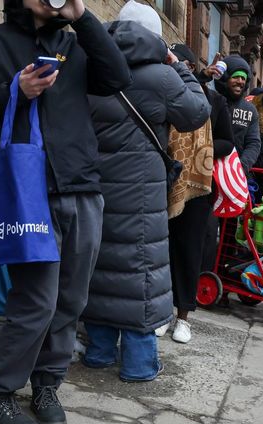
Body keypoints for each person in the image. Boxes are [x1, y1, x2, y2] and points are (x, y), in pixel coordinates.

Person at [0, 0, 130, 424]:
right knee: (38, 301)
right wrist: (13, 90)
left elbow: (118, 79)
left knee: (70, 300)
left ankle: (47, 386)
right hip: (30, 195)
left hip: (83, 187)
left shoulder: (76, 41)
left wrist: (83, 15)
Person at [81, 7, 209, 378]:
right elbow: (196, 112)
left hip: (96, 187)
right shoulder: (162, 77)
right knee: (142, 271)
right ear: (154, 38)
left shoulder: (90, 69)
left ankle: (99, 353)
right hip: (142, 193)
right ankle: (137, 365)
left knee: (102, 267)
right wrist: (179, 65)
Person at [158, 43, 233, 344]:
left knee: (190, 251)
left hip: (199, 186)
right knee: (163, 250)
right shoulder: (164, 95)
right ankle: (163, 313)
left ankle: (183, 317)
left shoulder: (214, 101)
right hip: (166, 182)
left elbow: (228, 142)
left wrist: (203, 148)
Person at [200, 54, 261, 279]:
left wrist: (240, 168)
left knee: (230, 232)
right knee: (207, 229)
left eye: (244, 79)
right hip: (207, 176)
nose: (240, 82)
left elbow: (254, 142)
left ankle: (222, 278)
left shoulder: (250, 111)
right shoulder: (213, 100)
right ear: (225, 78)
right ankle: (203, 275)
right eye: (236, 77)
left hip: (233, 181)